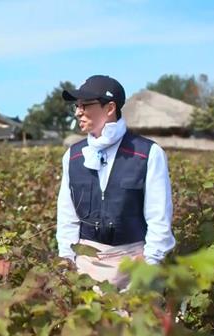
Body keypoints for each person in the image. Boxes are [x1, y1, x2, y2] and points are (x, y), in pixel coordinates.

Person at [55, 75, 176, 290]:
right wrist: (67, 260)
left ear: (110, 108)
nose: (77, 112)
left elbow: (159, 217)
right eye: (76, 106)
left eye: (85, 105)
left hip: (134, 264)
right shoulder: (73, 156)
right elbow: (67, 216)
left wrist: (149, 263)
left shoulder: (148, 153)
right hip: (85, 266)